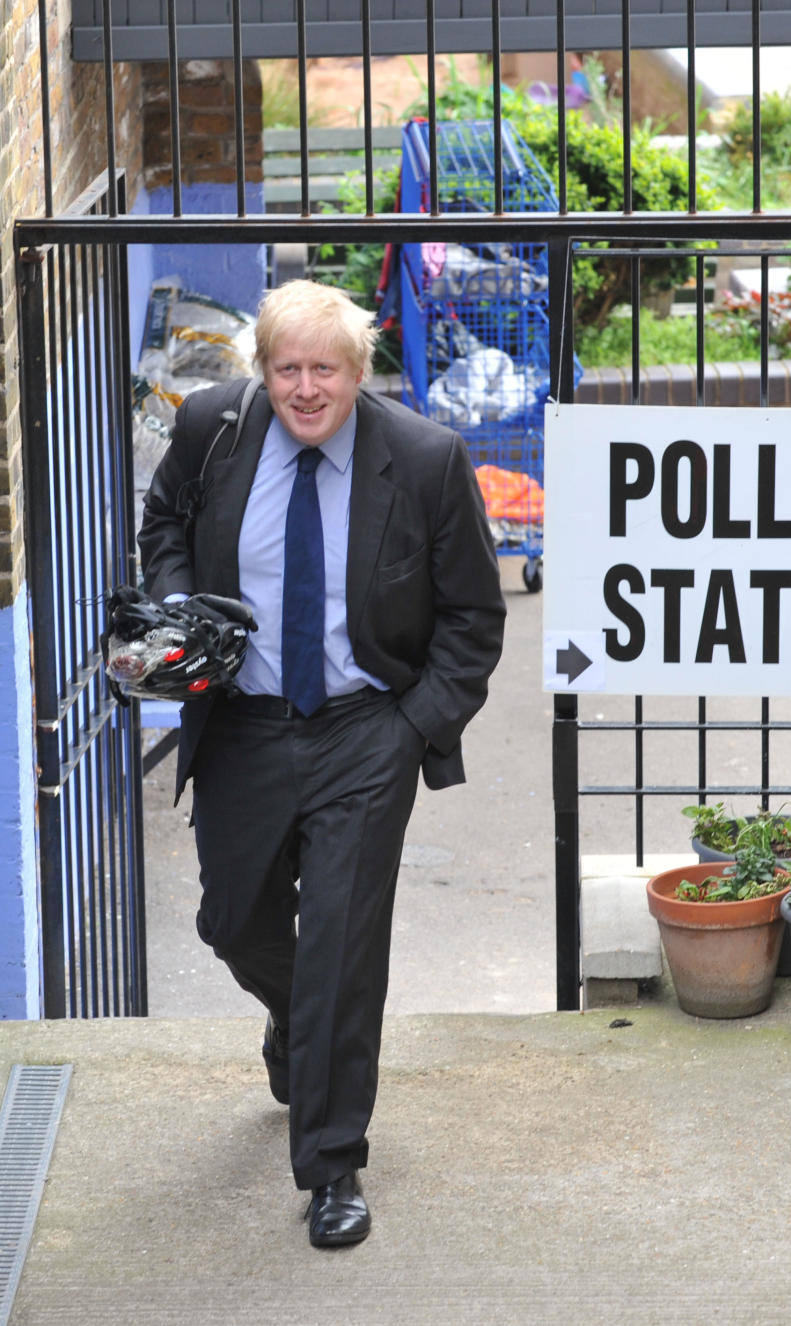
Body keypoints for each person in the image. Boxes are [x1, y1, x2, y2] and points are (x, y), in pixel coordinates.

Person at [138, 280, 506, 1248]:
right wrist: (184, 614)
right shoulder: (214, 431)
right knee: (232, 920)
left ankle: (333, 1162)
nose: (306, 389)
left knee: (342, 946)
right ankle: (298, 1024)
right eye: (288, 368)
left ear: (359, 370)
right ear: (262, 370)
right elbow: (165, 523)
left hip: (362, 730)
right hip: (246, 724)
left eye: (325, 370)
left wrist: (412, 728)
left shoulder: (424, 461)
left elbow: (473, 619)